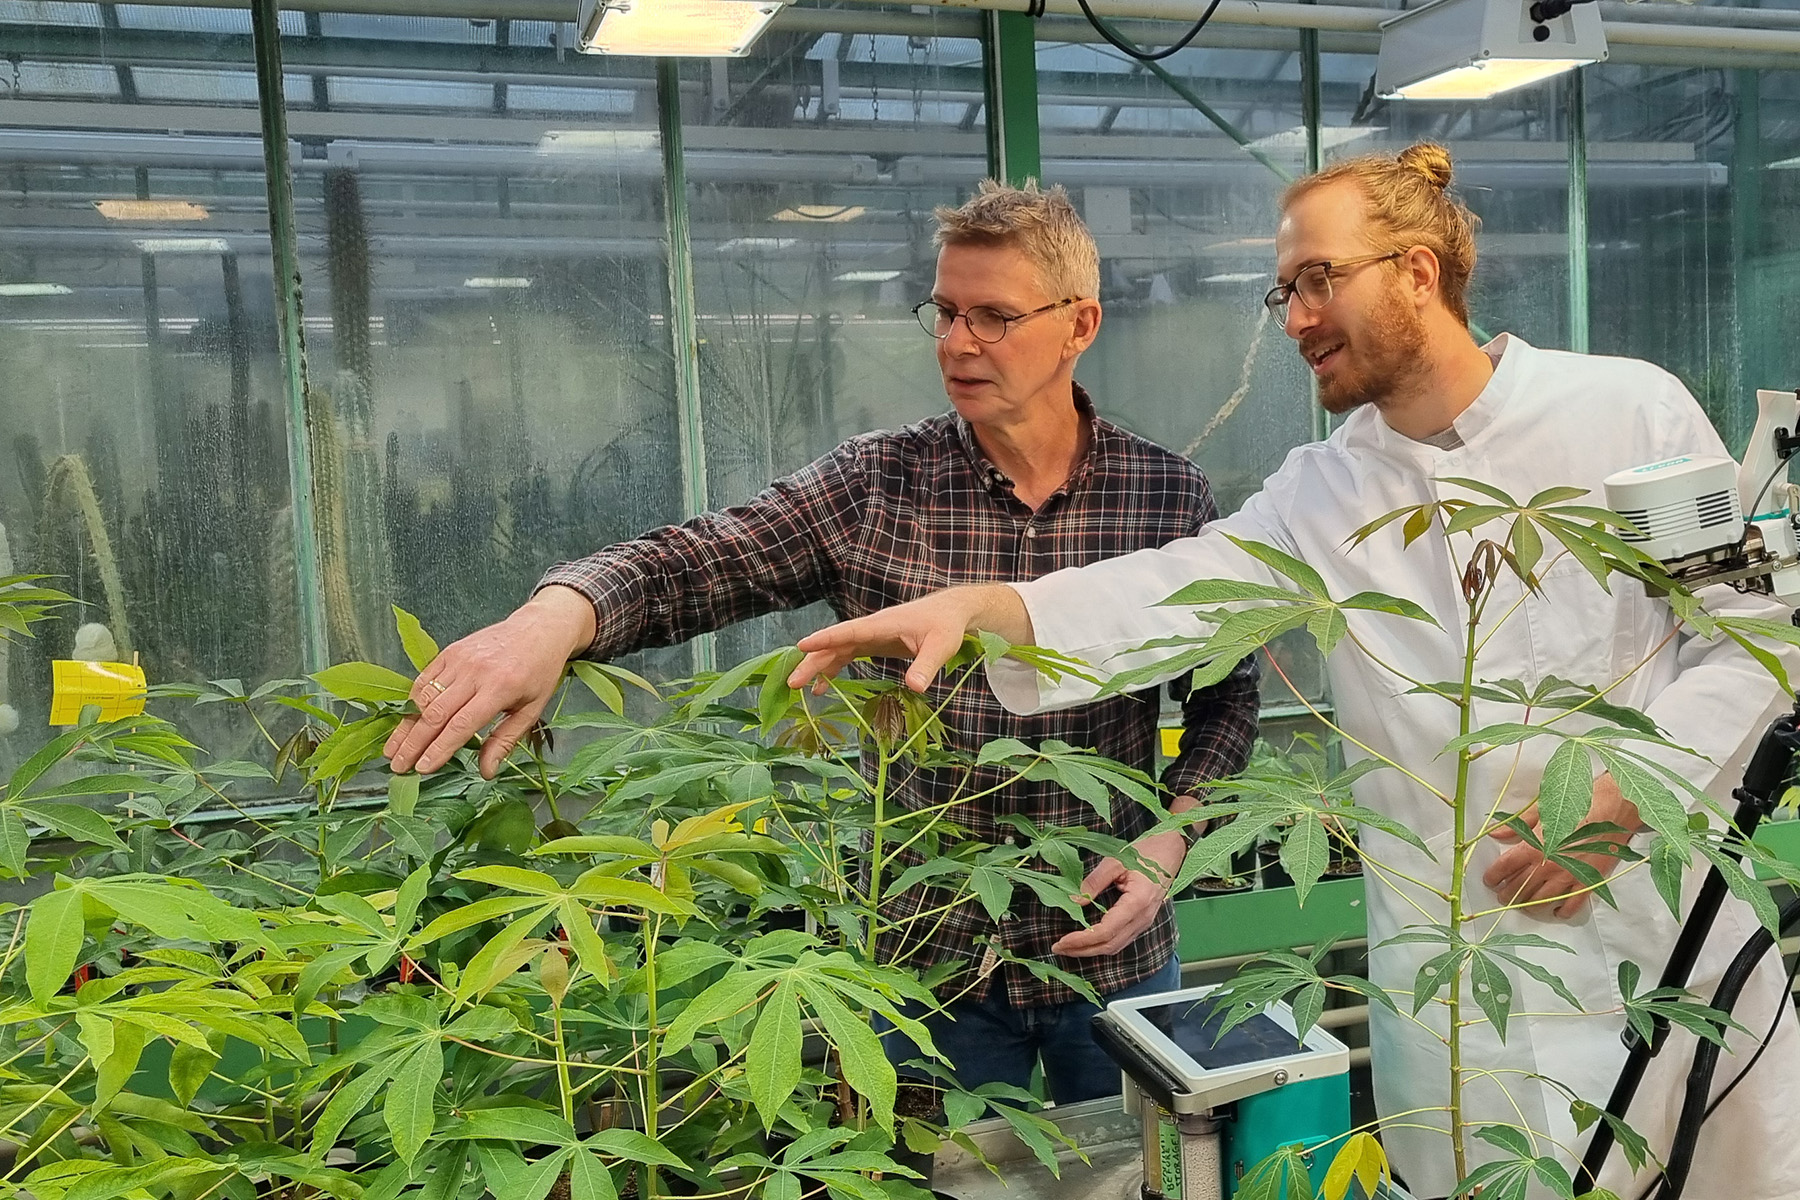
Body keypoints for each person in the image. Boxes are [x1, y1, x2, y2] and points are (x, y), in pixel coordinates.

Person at [787, 145, 1800, 1197]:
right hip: (1455, 992)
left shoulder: (1631, 413)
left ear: (1416, 272)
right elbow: (1167, 594)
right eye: (1286, 292)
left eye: (1320, 279)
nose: (1298, 317)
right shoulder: (1323, 488)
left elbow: (1755, 631)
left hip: (1663, 952)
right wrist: (990, 608)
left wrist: (1623, 795)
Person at [383, 180, 1260, 1105]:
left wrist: (1174, 835)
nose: (958, 344)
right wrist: (555, 617)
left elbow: (1225, 694)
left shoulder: (1167, 497)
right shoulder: (877, 482)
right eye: (946, 312)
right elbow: (696, 562)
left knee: (1140, 1173)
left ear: (1079, 324)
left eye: (995, 317)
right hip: (928, 960)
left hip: (1112, 942)